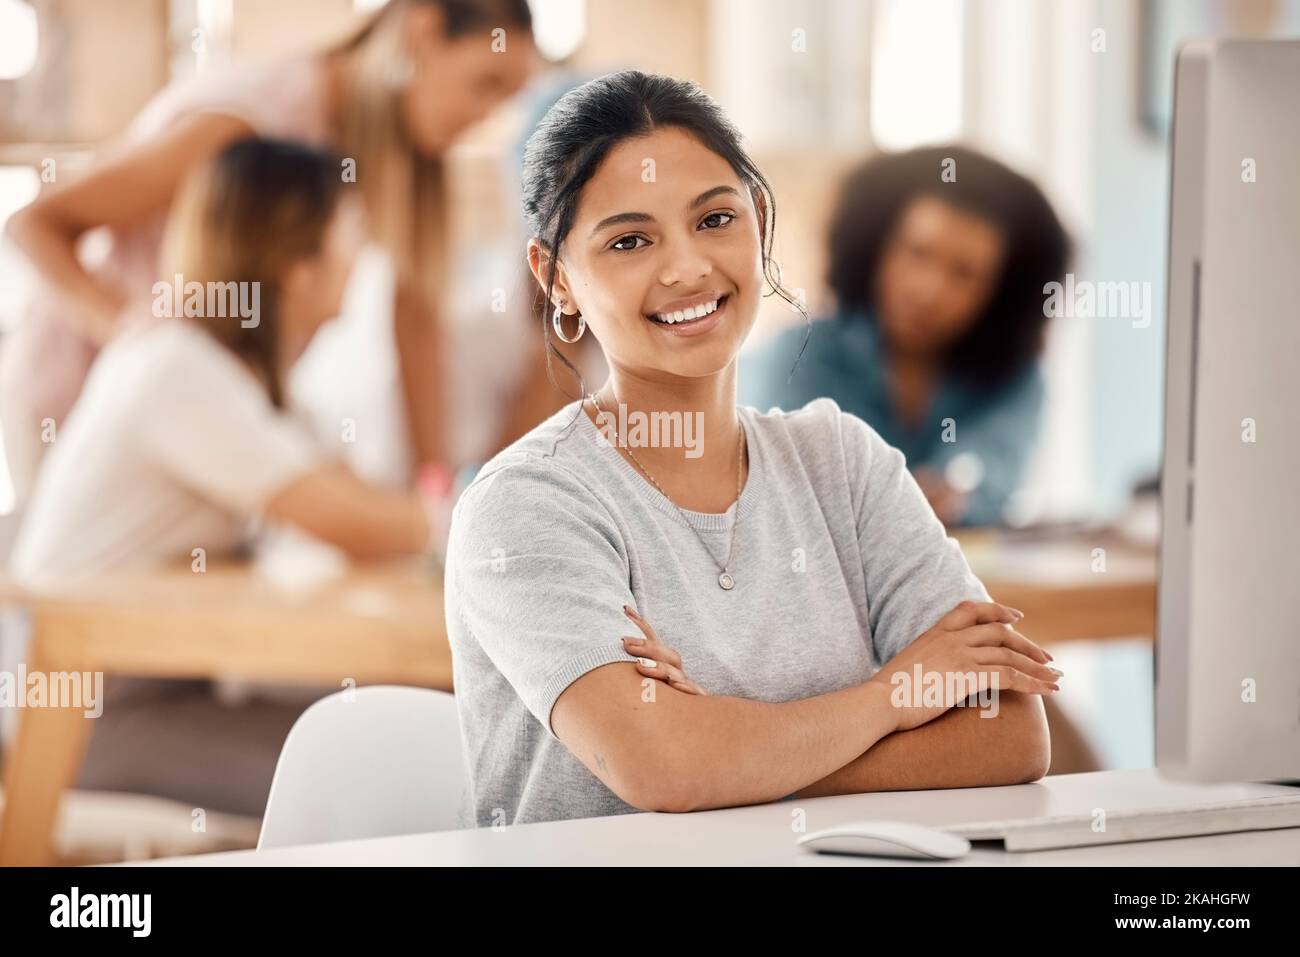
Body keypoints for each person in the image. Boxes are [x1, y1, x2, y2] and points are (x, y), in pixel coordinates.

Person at [443, 72, 1060, 828]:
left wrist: (726, 749)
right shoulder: (527, 504)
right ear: (556, 279)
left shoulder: (845, 463)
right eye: (630, 239)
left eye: (714, 219)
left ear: (759, 220)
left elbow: (1009, 733)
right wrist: (894, 697)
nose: (688, 268)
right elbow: (666, 763)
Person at [6, 138, 439, 815]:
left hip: (168, 690)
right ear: (296, 264)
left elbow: (361, 499)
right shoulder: (179, 368)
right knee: (378, 774)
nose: (364, 256)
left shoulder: (250, 381)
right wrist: (483, 507)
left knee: (398, 739)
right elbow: (359, 523)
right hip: (82, 719)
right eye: (350, 230)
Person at [1, 0, 538, 506]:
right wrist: (131, 339)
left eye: (505, 100)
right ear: (422, 33)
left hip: (189, 411)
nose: (485, 116)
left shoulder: (398, 154)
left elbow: (414, 318)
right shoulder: (254, 117)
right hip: (69, 389)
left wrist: (437, 492)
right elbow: (36, 222)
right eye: (483, 84)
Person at [741, 146, 1071, 526]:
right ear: (876, 246)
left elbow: (990, 471)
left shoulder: (1015, 377)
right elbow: (791, 494)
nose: (930, 290)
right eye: (918, 252)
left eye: (964, 273)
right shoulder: (797, 354)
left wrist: (958, 489)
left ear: (1001, 292)